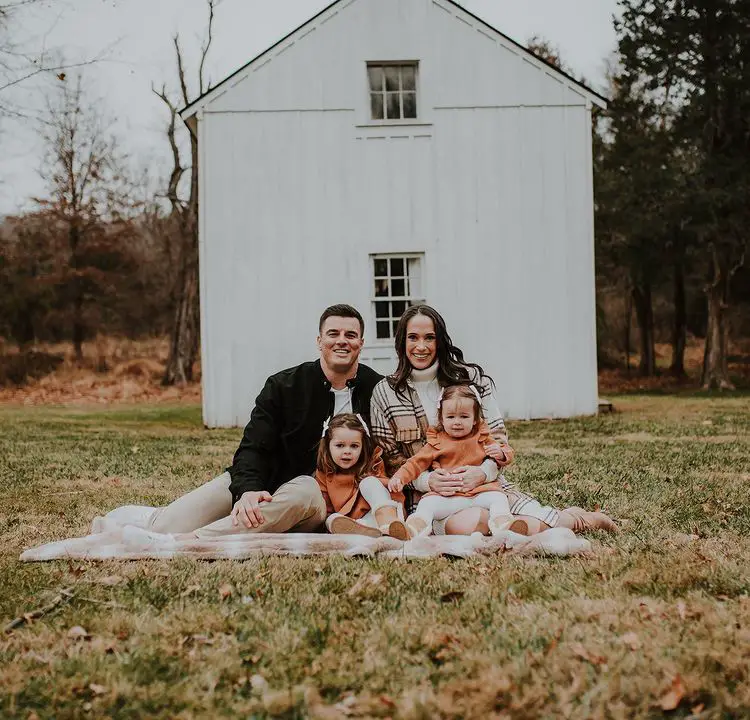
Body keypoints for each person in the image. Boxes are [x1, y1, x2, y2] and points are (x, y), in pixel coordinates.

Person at [97, 304, 383, 545]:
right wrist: (247, 490)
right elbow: (252, 447)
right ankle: (149, 521)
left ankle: (187, 543)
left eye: (351, 335)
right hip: (262, 481)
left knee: (305, 489)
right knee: (167, 524)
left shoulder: (377, 390)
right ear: (319, 341)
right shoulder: (284, 386)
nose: (342, 341)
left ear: (361, 342)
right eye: (333, 333)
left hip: (311, 499)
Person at [370, 304, 618, 536]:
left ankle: (580, 520)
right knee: (472, 525)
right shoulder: (385, 392)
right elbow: (389, 460)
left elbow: (497, 440)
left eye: (429, 337)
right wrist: (426, 480)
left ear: (440, 341)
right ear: (402, 341)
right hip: (432, 497)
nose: (421, 346)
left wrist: (483, 472)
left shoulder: (471, 381)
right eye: (413, 337)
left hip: (487, 487)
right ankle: (549, 521)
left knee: (523, 516)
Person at [388, 384, 525, 538]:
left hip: (480, 493)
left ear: (475, 419)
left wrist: (500, 453)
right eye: (451, 417)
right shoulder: (436, 442)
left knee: (499, 498)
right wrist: (399, 477)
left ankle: (504, 526)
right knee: (427, 504)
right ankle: (413, 529)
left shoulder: (482, 437)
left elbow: (508, 451)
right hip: (448, 497)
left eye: (464, 416)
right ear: (442, 419)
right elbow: (415, 463)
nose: (457, 422)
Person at [316, 413, 407, 539]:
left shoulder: (372, 464)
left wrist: (391, 484)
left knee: (368, 482)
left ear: (362, 446)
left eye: (354, 446)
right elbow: (326, 508)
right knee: (332, 518)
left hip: (384, 513)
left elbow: (386, 491)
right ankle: (363, 530)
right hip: (357, 521)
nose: (347, 451)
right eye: (340, 445)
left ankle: (388, 524)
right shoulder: (323, 474)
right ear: (327, 445)